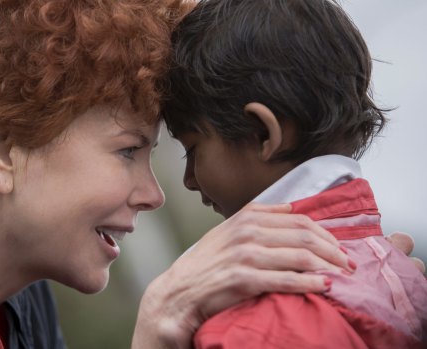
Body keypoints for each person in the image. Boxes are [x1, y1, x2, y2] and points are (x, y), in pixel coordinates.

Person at [0, 0, 417, 348]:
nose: (154, 193)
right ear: (1, 149)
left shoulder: (15, 299)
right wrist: (154, 331)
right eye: (128, 151)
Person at [162, 0, 427, 348]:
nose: (189, 180)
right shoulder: (404, 279)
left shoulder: (257, 326)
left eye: (193, 150)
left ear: (263, 134)